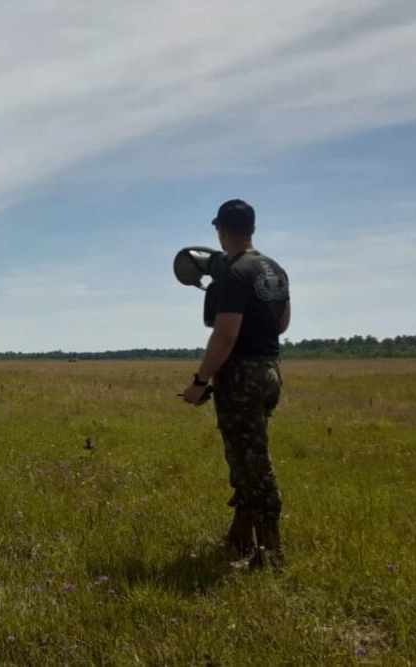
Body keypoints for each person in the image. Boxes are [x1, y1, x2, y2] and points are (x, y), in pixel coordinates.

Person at [181, 199, 291, 568]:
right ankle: (240, 537)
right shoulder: (275, 270)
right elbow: (283, 323)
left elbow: (224, 336)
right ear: (253, 229)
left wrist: (200, 381)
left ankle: (270, 553)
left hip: (242, 373)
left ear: (221, 231)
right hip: (270, 370)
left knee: (252, 461)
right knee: (244, 454)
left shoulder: (233, 273)